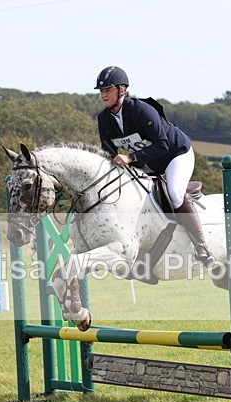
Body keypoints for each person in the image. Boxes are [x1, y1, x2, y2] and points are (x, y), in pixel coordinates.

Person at [94, 66, 212, 265]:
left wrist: (130, 157)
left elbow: (163, 144)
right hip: (148, 163)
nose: (103, 95)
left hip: (175, 154)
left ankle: (201, 246)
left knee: (175, 193)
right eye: (101, 91)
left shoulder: (141, 110)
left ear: (122, 90)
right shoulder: (103, 119)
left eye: (108, 90)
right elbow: (108, 151)